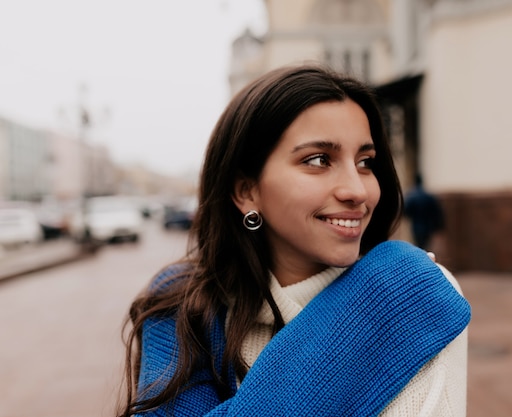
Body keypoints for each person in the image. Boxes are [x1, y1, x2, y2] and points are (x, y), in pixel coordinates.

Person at [117, 64, 471, 417]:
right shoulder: (184, 310)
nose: (357, 189)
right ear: (246, 191)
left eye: (365, 162)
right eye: (318, 160)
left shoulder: (414, 294)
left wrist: (388, 287)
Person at [404, 174, 445, 250]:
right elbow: (436, 212)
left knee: (418, 244)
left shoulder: (412, 196)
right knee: (425, 245)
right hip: (428, 225)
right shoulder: (428, 196)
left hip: (416, 224)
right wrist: (439, 226)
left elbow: (406, 211)